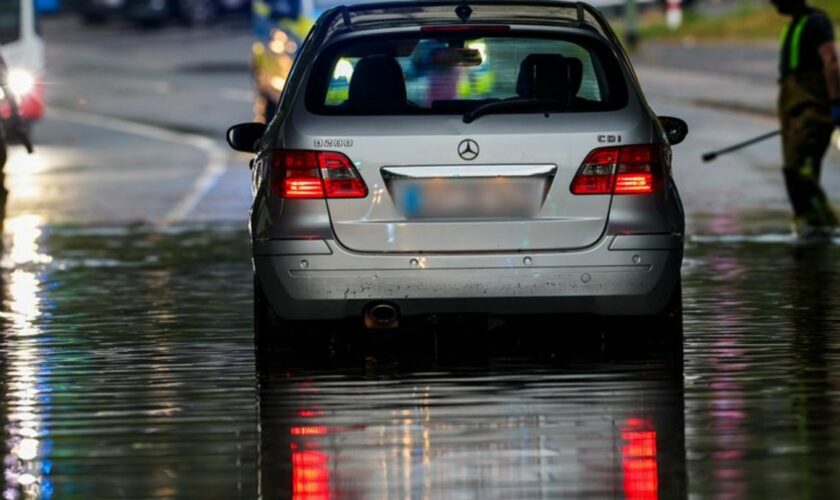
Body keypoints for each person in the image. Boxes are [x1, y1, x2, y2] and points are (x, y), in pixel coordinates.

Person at [771, 0, 840, 238]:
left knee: (800, 171)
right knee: (794, 169)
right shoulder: (793, 25)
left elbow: (830, 60)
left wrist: (835, 101)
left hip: (812, 111)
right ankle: (810, 224)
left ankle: (824, 224)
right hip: (793, 111)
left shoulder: (816, 21)